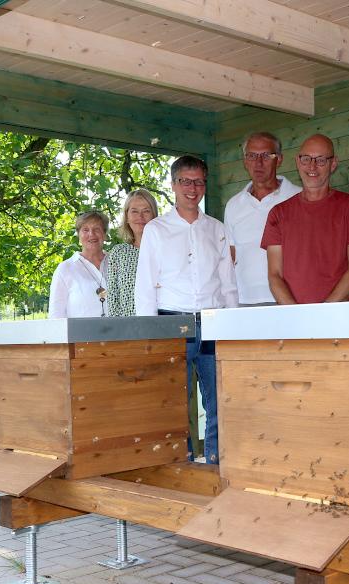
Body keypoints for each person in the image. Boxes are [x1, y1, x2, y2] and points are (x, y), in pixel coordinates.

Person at [134, 155, 238, 464]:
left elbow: (228, 283)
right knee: (174, 400)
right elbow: (145, 284)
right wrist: (148, 334)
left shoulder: (217, 229)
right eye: (186, 182)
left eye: (199, 182)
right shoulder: (157, 229)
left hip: (213, 323)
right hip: (171, 323)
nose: (193, 189)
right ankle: (180, 464)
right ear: (173, 185)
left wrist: (233, 329)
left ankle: (216, 463)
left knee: (219, 397)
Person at [261, 134, 349, 303]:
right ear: (298, 162)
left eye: (321, 160)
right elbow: (275, 276)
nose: (312, 166)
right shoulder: (278, 213)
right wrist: (297, 315)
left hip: (341, 314)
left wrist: (323, 313)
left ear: (333, 164)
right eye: (306, 159)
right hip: (296, 319)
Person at [224, 132, 301, 306]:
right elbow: (231, 256)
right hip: (244, 300)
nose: (258, 163)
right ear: (245, 161)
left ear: (279, 159)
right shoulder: (234, 205)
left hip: (290, 300)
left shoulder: (298, 198)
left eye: (266, 155)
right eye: (252, 156)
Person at [106, 189, 159, 317]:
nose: (140, 217)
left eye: (146, 211)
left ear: (154, 215)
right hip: (128, 330)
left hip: (162, 328)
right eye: (134, 211)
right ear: (127, 216)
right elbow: (113, 298)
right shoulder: (118, 253)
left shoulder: (166, 250)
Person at [48, 210, 110, 319]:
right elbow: (56, 316)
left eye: (97, 229)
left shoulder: (117, 264)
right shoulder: (65, 269)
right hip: (81, 335)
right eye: (85, 230)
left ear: (104, 234)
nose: (91, 234)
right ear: (78, 235)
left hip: (119, 334)